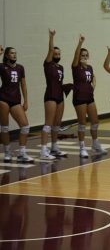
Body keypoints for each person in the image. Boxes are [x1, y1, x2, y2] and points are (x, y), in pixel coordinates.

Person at [72, 35, 106, 158]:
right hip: (79, 98)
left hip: (89, 97)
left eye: (86, 55)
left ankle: (95, 144)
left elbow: (93, 77)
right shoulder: (76, 67)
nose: (84, 57)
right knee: (82, 123)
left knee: (95, 121)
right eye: (82, 55)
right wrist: (80, 43)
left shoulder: (90, 68)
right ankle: (82, 147)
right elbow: (76, 56)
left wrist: (93, 86)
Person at [0, 46, 34, 163]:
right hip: (3, 99)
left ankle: (22, 153)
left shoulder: (20, 68)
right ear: (7, 55)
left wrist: (26, 101)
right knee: (4, 127)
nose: (14, 55)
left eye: (15, 53)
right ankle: (7, 151)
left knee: (25, 126)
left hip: (16, 101)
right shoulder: (2, 66)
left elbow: (23, 85)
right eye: (12, 53)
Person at [41, 29, 67, 160]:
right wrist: (51, 37)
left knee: (57, 124)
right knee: (48, 123)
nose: (56, 55)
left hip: (60, 97)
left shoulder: (61, 67)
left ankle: (54, 147)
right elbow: (50, 51)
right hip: (50, 96)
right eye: (55, 53)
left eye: (58, 53)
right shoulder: (48, 64)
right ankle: (43, 150)